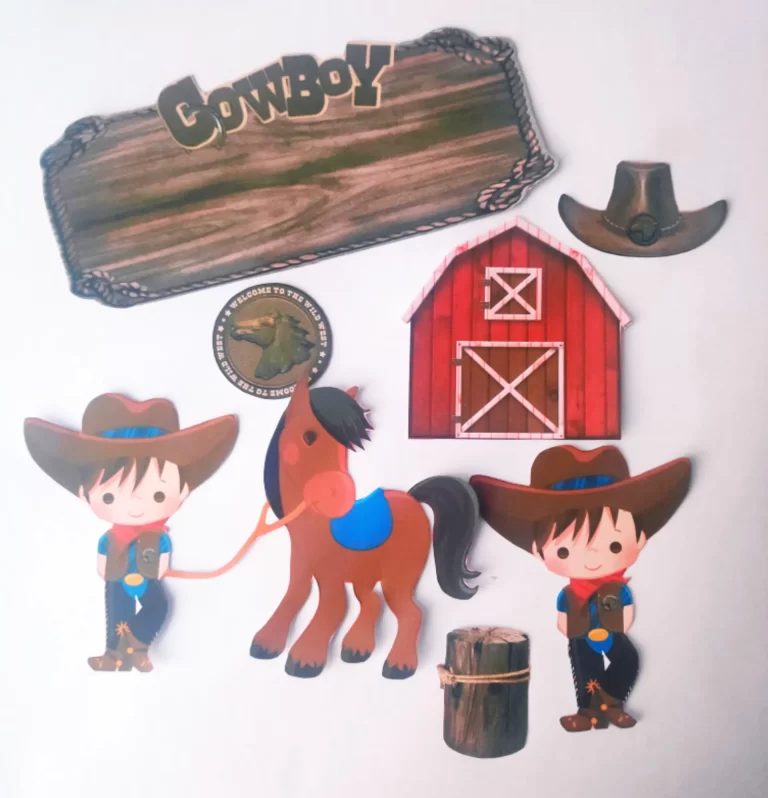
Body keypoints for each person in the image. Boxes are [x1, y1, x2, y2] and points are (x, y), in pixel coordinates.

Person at [470, 445, 691, 732]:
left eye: (614, 545)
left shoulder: (618, 590)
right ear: (538, 551)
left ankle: (611, 704)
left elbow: (625, 614)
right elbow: (563, 621)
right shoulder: (568, 595)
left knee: (628, 658)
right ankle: (588, 711)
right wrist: (571, 628)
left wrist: (617, 625)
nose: (592, 560)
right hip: (581, 635)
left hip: (611, 633)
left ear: (639, 539)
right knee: (586, 667)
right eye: (564, 551)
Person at [24, 394, 238, 672]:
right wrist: (107, 568)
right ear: (84, 493)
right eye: (110, 497)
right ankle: (114, 653)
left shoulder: (158, 537)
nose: (135, 506)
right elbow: (103, 561)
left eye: (158, 495)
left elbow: (161, 560)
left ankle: (134, 644)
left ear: (184, 489)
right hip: (117, 577)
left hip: (145, 576)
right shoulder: (110, 539)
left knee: (157, 605)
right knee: (117, 612)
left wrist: (157, 569)